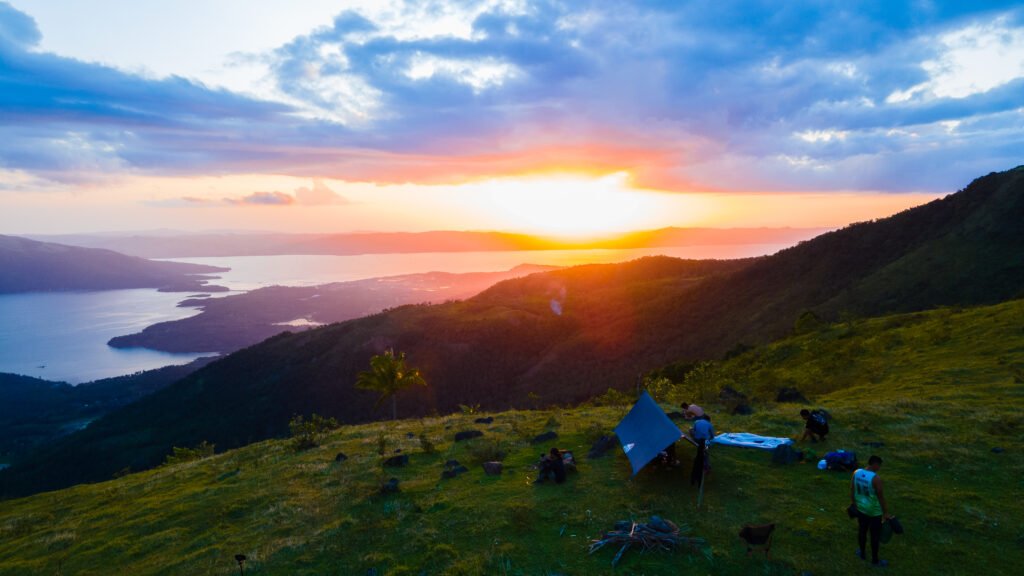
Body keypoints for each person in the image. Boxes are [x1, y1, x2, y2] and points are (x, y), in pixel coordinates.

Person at [851, 455, 893, 567]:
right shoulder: (876, 478)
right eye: (879, 465)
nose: (879, 468)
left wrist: (854, 504)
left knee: (862, 531)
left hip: (861, 508)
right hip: (874, 512)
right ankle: (875, 560)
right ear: (875, 464)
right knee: (874, 536)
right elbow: (881, 497)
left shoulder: (857, 472)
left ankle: (862, 553)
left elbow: (852, 489)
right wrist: (886, 513)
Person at [690, 414, 714, 486]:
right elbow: (712, 435)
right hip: (704, 441)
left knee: (690, 430)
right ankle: (707, 466)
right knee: (705, 453)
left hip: (697, 439)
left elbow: (693, 430)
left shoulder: (697, 422)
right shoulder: (709, 424)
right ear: (708, 420)